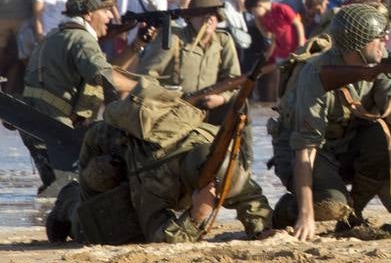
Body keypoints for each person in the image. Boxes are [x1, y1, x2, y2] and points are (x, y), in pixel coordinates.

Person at [46, 83, 272, 244]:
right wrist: (196, 216)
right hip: (107, 156)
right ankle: (67, 202)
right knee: (97, 228)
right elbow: (159, 238)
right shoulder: (157, 174)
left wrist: (259, 230)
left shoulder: (216, 150)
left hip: (143, 161)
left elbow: (252, 199)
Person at [273, 3, 391, 240]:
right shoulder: (316, 72)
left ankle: (353, 213)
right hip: (303, 152)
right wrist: (306, 215)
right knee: (332, 205)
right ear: (357, 43)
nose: (386, 40)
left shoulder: (382, 62)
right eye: (378, 37)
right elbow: (305, 149)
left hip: (345, 144)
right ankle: (287, 209)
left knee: (385, 137)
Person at [21, 0, 139, 188]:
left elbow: (106, 70)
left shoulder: (59, 34)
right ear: (89, 13)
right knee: (72, 192)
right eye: (105, 11)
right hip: (56, 132)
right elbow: (104, 77)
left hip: (39, 128)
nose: (111, 17)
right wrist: (144, 87)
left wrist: (137, 46)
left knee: (59, 192)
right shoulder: (81, 40)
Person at [138, 0, 242, 126]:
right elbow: (146, 76)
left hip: (210, 108)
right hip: (174, 110)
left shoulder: (223, 41)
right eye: (202, 14)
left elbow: (233, 80)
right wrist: (168, 98)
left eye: (212, 14)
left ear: (218, 18)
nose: (208, 19)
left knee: (240, 103)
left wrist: (221, 98)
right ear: (190, 18)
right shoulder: (174, 39)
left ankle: (243, 148)